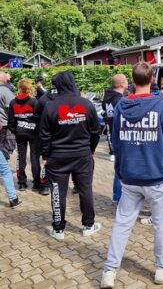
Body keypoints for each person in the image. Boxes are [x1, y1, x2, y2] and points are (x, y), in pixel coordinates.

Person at [101, 62, 163, 288]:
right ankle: (162, 268)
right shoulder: (161, 107)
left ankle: (109, 271)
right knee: (160, 225)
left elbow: (115, 143)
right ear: (152, 77)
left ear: (132, 80)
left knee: (122, 224)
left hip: (130, 177)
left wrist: (120, 171)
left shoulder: (121, 107)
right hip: (156, 178)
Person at [39, 71, 101, 240]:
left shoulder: (50, 106)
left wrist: (45, 155)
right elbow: (95, 131)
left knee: (58, 192)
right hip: (82, 155)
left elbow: (44, 135)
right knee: (85, 189)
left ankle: (58, 229)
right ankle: (88, 225)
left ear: (57, 85)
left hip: (57, 157)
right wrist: (92, 148)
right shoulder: (86, 104)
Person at [8, 79, 49, 195]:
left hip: (20, 133)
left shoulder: (13, 102)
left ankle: (22, 183)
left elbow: (11, 121)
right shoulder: (34, 102)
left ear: (19, 88)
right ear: (29, 88)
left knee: (21, 157)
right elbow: (39, 119)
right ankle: (36, 183)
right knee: (34, 158)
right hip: (33, 133)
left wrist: (15, 130)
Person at [102, 74, 129, 203]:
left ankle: (117, 195)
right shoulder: (120, 100)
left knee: (119, 166)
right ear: (122, 84)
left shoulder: (107, 97)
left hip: (112, 133)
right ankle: (119, 196)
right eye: (126, 80)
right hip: (121, 135)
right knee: (122, 167)